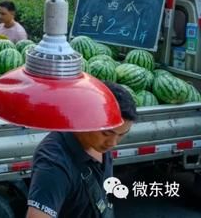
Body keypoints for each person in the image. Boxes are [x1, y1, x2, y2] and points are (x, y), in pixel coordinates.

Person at [26, 82, 137, 218]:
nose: (113, 143)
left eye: (121, 135)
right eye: (107, 134)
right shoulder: (54, 163)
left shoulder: (99, 143)